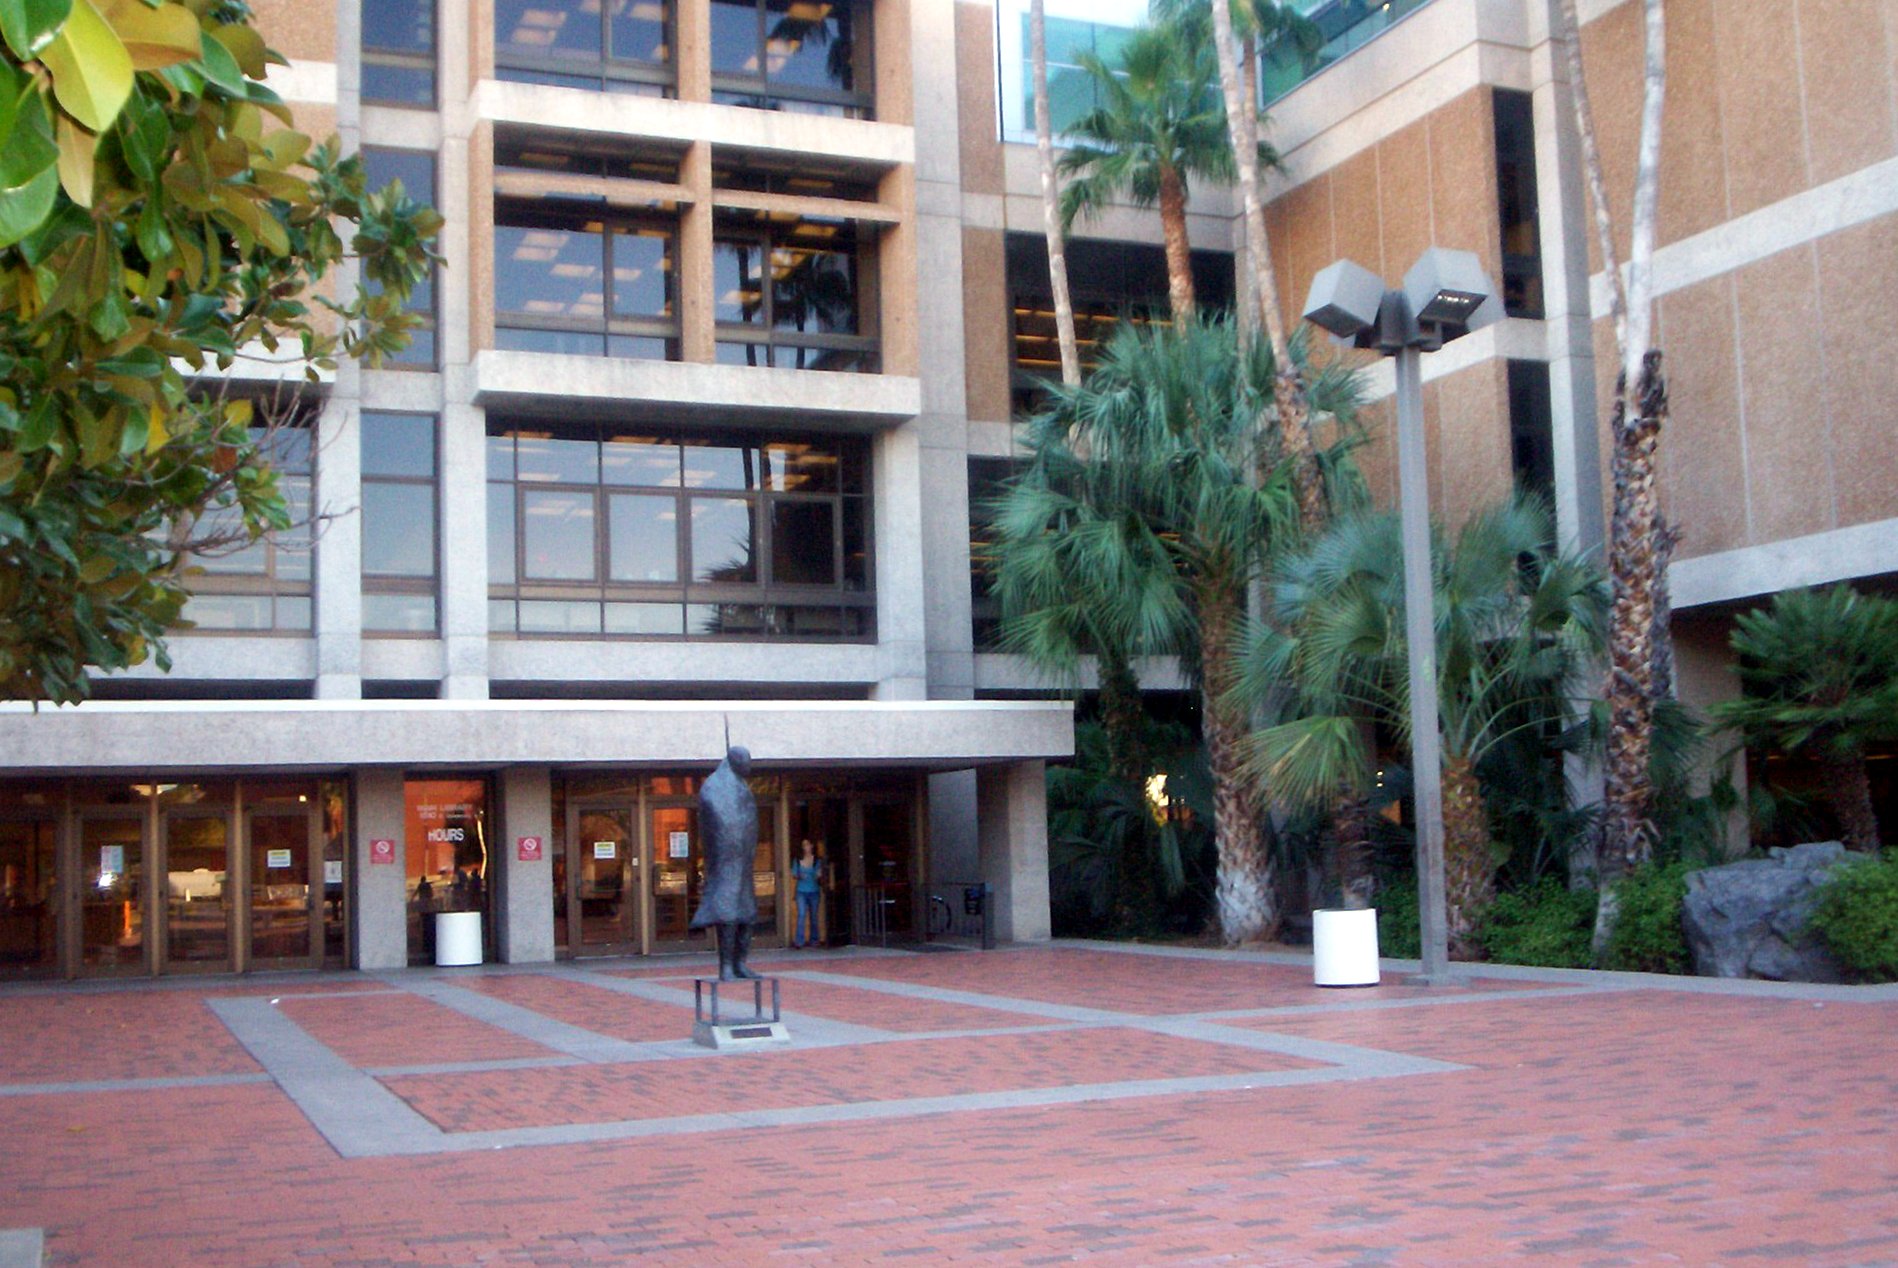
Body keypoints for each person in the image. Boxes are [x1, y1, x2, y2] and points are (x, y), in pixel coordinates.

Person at [688, 745, 761, 980]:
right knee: (728, 914)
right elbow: (714, 821)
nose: (749, 766)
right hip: (725, 861)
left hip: (743, 862)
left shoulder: (742, 788)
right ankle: (726, 967)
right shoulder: (713, 786)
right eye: (745, 761)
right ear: (733, 760)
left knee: (747, 914)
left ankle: (740, 963)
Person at [791, 839, 824, 948]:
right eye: (804, 845)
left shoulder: (817, 860)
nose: (806, 847)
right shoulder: (797, 860)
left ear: (812, 846)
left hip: (814, 891)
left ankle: (814, 940)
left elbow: (819, 874)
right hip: (801, 891)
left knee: (814, 916)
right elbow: (794, 874)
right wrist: (800, 876)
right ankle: (799, 941)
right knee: (801, 914)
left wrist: (818, 875)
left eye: (808, 844)